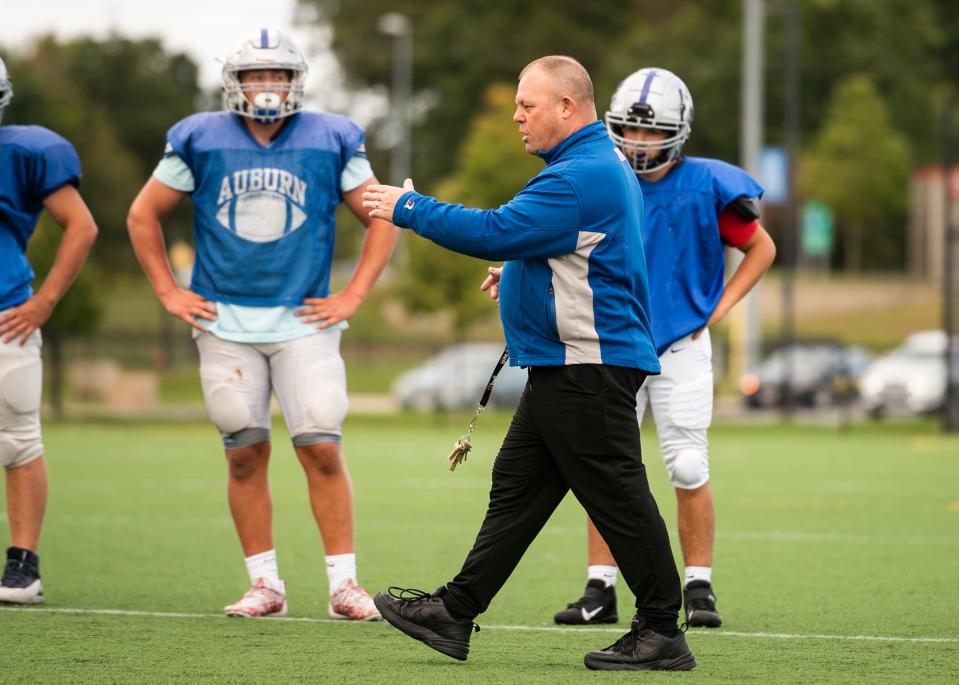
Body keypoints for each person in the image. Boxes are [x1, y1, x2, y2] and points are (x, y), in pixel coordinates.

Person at [363, 55, 696, 671]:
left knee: (619, 499)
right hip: (568, 369)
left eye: (527, 104)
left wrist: (407, 208)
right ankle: (455, 612)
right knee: (515, 491)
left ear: (567, 107)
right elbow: (558, 247)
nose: (517, 116)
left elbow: (495, 229)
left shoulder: (578, 176)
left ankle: (660, 632)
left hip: (586, 371)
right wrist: (519, 273)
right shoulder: (590, 167)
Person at [126, 29, 398, 620]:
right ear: (237, 82)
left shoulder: (331, 136)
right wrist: (168, 292)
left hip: (304, 316)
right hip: (224, 316)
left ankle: (344, 584)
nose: (268, 87)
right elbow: (143, 214)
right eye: (256, 76)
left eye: (278, 76)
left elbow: (382, 215)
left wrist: (353, 294)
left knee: (321, 442)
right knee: (243, 451)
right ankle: (264, 584)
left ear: (296, 83)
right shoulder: (200, 137)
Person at [549, 68, 776, 629]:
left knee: (688, 462)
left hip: (679, 345)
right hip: (617, 342)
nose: (640, 142)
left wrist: (719, 310)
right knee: (605, 468)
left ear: (678, 132)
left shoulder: (706, 184)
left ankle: (699, 586)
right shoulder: (603, 176)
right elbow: (551, 235)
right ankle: (599, 587)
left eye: (652, 133)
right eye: (631, 130)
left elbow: (761, 246)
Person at [0, 56, 99, 604]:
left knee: (16, 441)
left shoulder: (23, 150)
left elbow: (82, 226)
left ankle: (23, 567)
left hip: (7, 310)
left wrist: (45, 301)